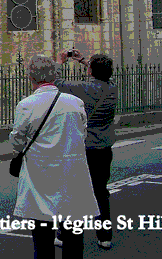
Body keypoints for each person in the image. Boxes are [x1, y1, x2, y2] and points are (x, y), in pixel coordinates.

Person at [10, 54, 99, 259]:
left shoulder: (26, 105)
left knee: (42, 238)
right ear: (54, 75)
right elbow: (82, 134)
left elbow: (17, 141)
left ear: (31, 77)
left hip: (40, 176)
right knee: (74, 238)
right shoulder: (75, 103)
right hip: (71, 175)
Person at [56, 50, 118, 250]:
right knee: (100, 192)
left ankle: (65, 234)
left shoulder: (85, 89)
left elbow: (57, 83)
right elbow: (103, 73)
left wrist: (60, 61)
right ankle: (105, 236)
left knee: (73, 192)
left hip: (85, 149)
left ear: (91, 71)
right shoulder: (112, 88)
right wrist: (84, 61)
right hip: (104, 148)